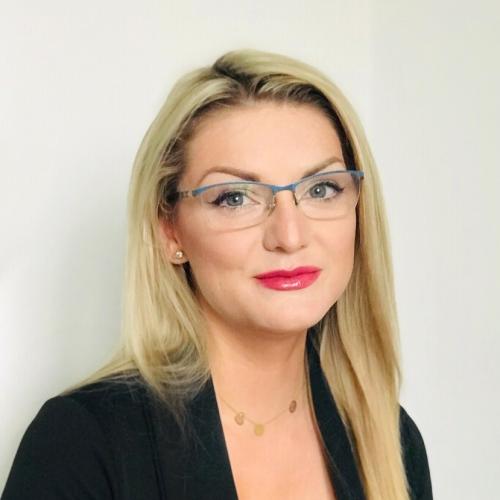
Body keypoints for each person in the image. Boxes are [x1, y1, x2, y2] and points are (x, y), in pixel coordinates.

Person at [2, 49, 433, 500]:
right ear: (169, 230)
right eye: (235, 198)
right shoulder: (82, 443)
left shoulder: (391, 440)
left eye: (322, 189)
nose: (289, 236)